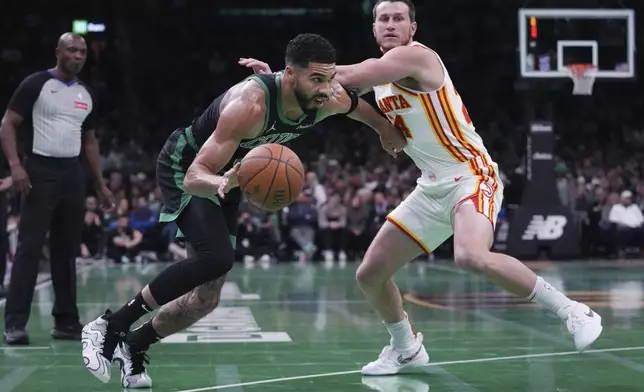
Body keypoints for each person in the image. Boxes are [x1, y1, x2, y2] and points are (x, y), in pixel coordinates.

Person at [240, 0, 603, 376]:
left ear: (413, 28)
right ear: (374, 28)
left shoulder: (416, 58)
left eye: (399, 18)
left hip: (471, 175)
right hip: (431, 186)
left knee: (470, 255)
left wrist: (291, 77)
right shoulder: (382, 80)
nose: (391, 24)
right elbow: (340, 100)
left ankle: (572, 310)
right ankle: (406, 347)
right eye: (384, 19)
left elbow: (354, 77)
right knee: (370, 273)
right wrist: (286, 83)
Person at [81, 33, 406, 388]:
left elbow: (358, 107)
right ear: (290, 74)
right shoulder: (248, 105)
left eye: (329, 78)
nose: (325, 88)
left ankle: (134, 345)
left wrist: (385, 129)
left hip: (235, 176)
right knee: (216, 257)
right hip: (188, 166)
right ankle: (111, 325)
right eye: (316, 78)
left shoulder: (327, 96)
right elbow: (193, 178)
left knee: (206, 298)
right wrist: (222, 183)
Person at [0, 33, 114, 345]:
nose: (78, 56)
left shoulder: (86, 94)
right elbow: (8, 123)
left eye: (82, 52)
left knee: (67, 250)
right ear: (58, 52)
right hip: (39, 169)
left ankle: (66, 321)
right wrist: (15, 166)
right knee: (30, 247)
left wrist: (100, 185)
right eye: (72, 50)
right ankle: (14, 324)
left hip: (71, 174)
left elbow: (89, 142)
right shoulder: (36, 84)